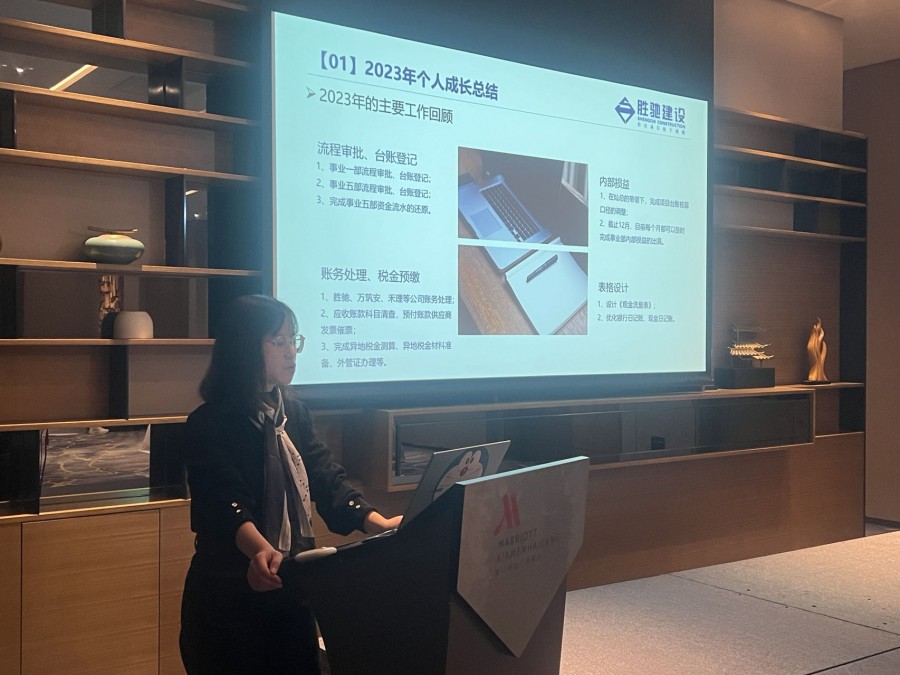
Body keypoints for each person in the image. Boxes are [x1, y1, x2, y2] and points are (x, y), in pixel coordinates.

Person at [179, 294, 401, 674]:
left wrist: (377, 522)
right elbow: (224, 501)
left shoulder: (293, 414)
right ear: (245, 347)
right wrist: (261, 551)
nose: (290, 352)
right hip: (229, 595)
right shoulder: (209, 423)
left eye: (293, 340)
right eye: (278, 341)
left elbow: (324, 476)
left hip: (289, 589)